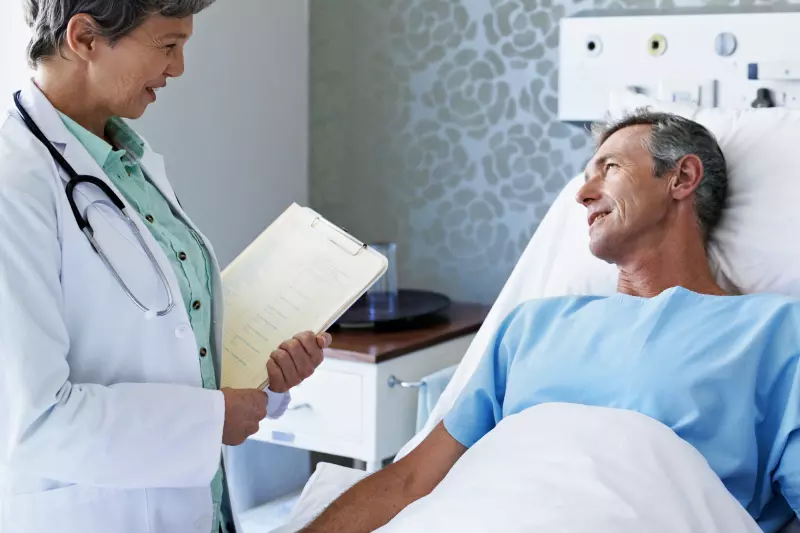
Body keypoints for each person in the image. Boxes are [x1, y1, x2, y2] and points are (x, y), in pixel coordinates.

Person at [300, 110, 800, 533]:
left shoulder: (773, 332)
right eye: (586, 176)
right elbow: (412, 481)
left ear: (682, 178)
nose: (583, 194)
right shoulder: (532, 326)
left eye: (609, 168)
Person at [0, 2, 328, 532]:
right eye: (168, 45)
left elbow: (173, 337)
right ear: (84, 37)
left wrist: (264, 378)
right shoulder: (14, 183)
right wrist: (211, 419)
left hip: (203, 506)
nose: (178, 69)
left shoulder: (129, 160)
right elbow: (33, 420)